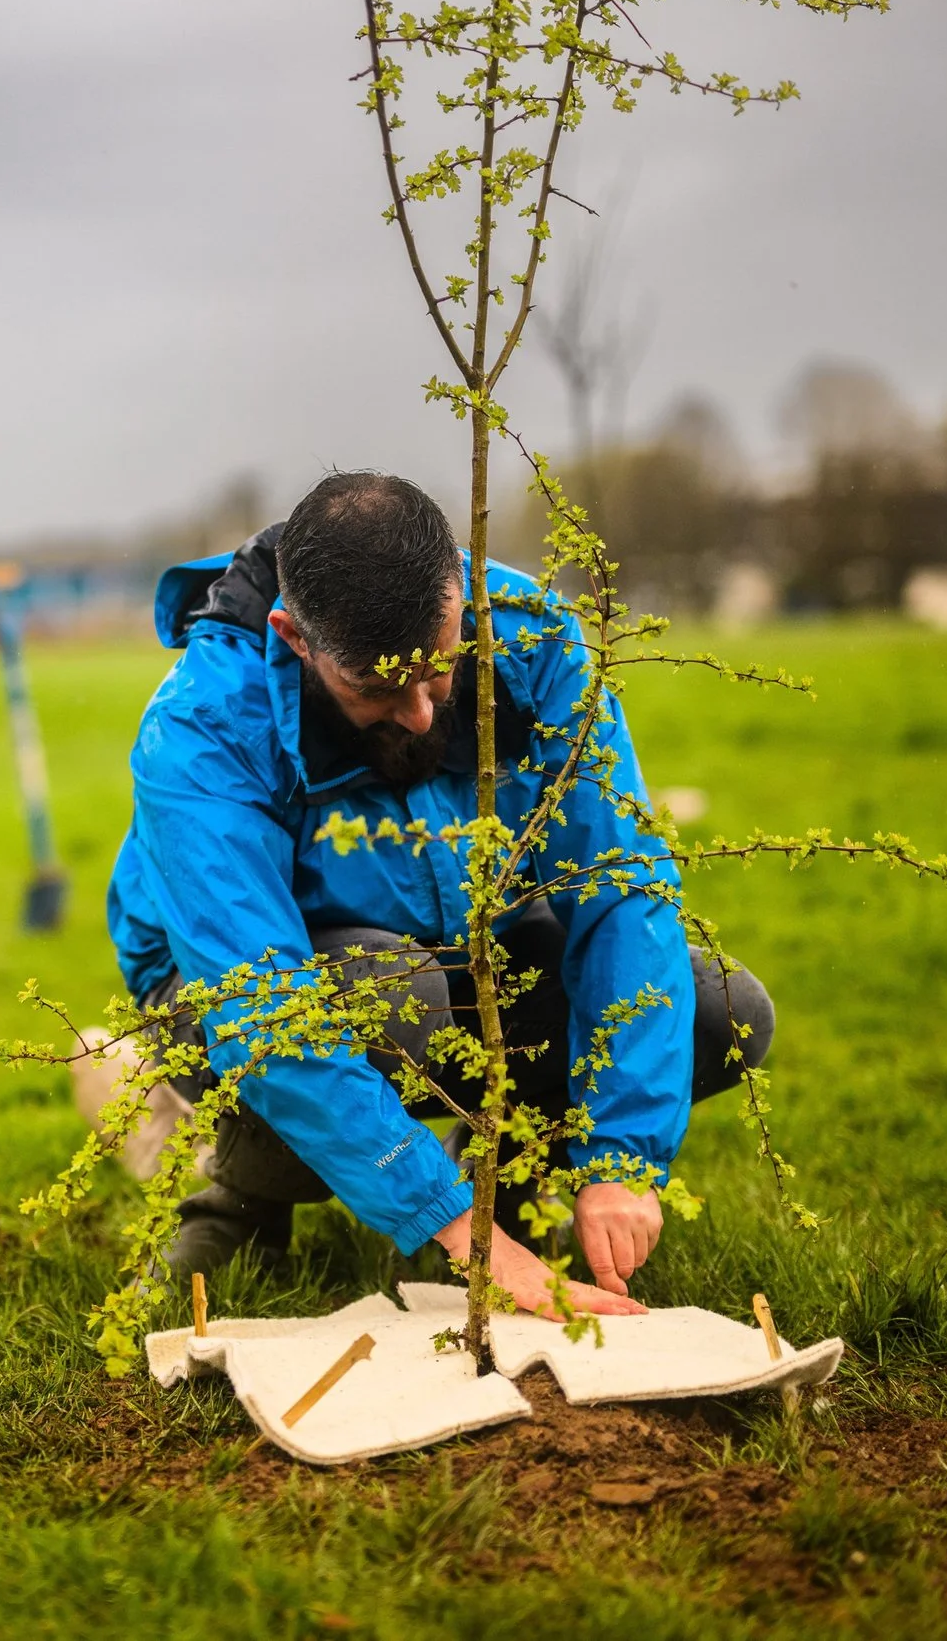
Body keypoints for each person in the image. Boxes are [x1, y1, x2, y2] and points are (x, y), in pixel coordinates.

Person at [106, 472, 775, 1316]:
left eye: (439, 669)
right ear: (295, 637)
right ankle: (241, 1192)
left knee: (724, 1007)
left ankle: (512, 1187)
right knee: (397, 994)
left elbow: (619, 886)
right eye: (379, 690)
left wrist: (621, 1157)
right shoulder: (202, 725)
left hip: (456, 936)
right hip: (232, 986)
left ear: (459, 592)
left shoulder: (534, 641)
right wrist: (457, 1227)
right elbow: (260, 1004)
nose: (423, 715)